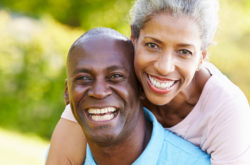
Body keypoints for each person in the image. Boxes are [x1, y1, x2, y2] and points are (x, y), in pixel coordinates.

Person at [47, 0, 250, 165]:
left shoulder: (226, 110)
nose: (164, 67)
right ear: (134, 39)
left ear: (201, 58)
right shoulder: (113, 83)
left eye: (184, 52)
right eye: (153, 45)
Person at [47, 27, 210, 165]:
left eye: (115, 76)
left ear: (141, 88)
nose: (98, 92)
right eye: (84, 78)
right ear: (68, 93)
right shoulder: (64, 154)